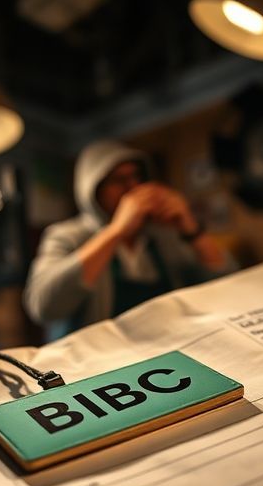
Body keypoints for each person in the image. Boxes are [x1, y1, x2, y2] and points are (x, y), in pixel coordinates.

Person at [23, 139, 236, 339]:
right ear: (93, 189)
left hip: (170, 345)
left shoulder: (161, 235)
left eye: (137, 176)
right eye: (118, 180)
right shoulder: (66, 235)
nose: (132, 187)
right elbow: (42, 306)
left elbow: (227, 284)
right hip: (98, 358)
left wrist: (190, 227)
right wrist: (116, 231)